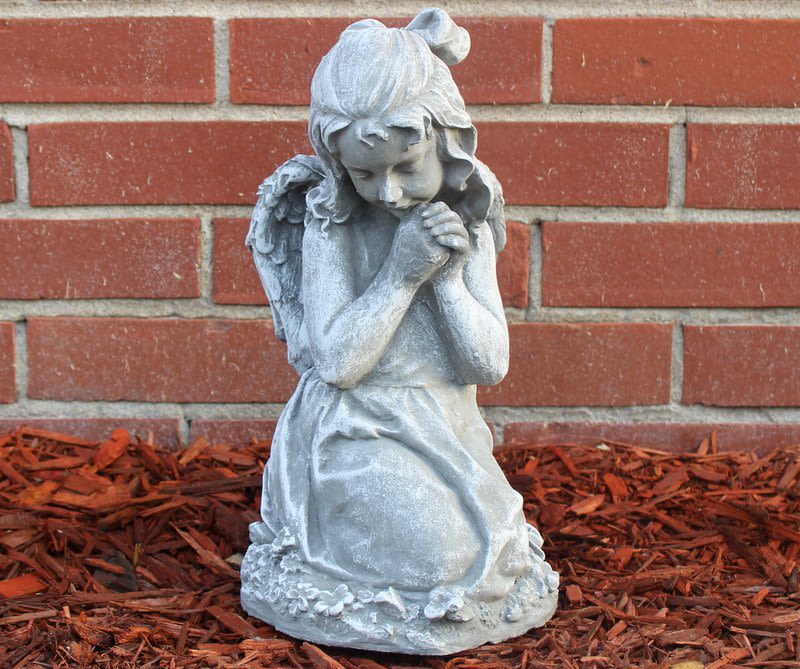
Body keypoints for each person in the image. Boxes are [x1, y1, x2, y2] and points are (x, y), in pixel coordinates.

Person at [241, 9, 558, 654]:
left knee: (471, 555)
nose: (386, 193)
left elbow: (489, 364)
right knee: (439, 560)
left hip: (447, 425)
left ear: (447, 141)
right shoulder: (331, 222)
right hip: (353, 429)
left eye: (406, 166)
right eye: (364, 173)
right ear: (338, 165)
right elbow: (337, 364)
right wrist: (401, 275)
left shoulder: (465, 220)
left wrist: (447, 279)